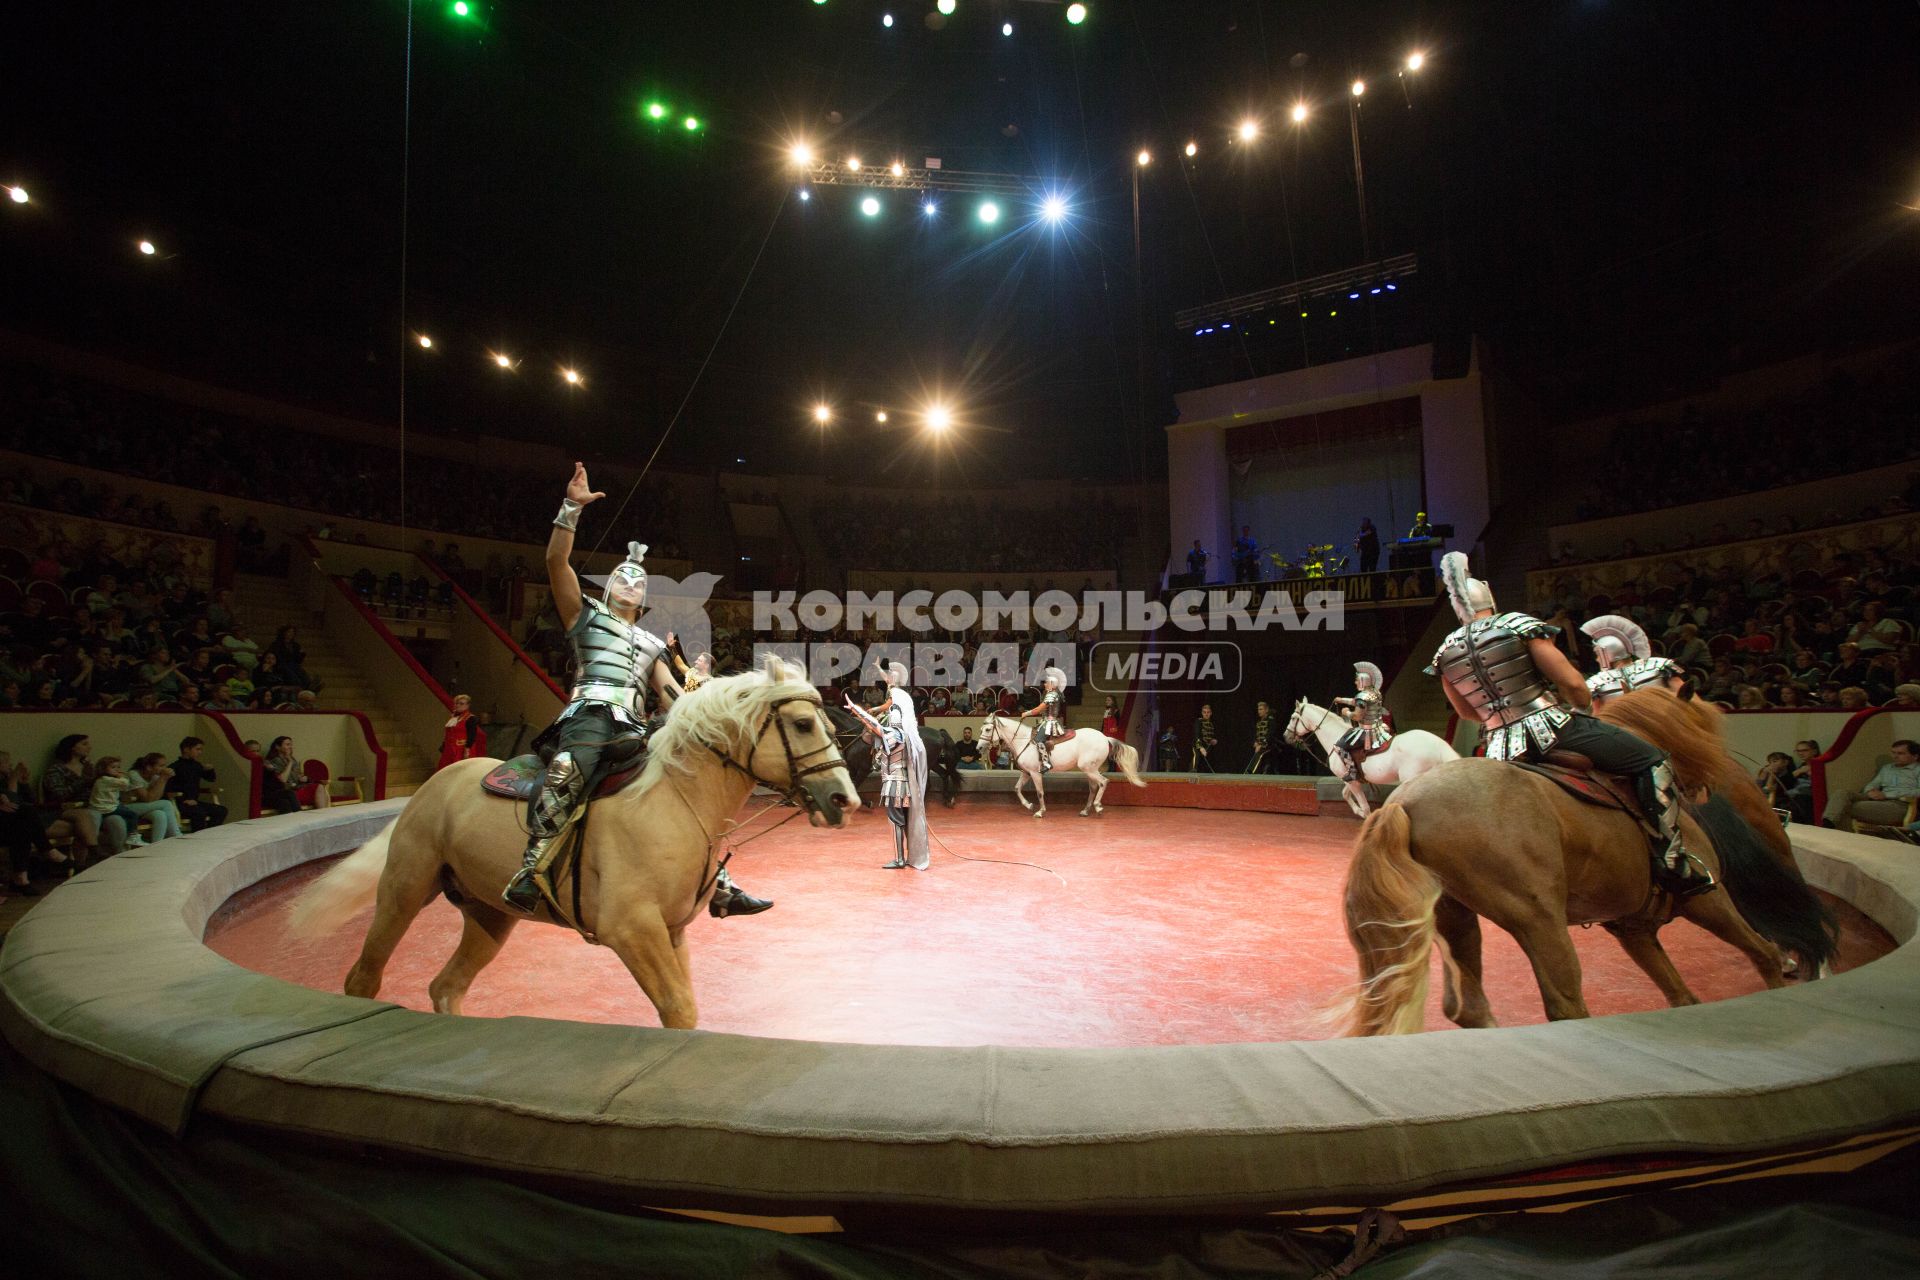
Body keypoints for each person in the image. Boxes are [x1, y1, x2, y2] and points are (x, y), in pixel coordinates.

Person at [504, 463, 768, 918]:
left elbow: (672, 696)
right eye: (623, 577)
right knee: (569, 771)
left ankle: (718, 883)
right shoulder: (584, 616)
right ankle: (532, 869)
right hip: (587, 717)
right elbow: (555, 562)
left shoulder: (650, 641)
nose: (631, 581)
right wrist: (571, 507)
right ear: (607, 588)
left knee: (687, 785)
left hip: (635, 727)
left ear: (645, 598)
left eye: (639, 580)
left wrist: (720, 718)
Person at [1427, 552, 1714, 898]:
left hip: (1498, 748)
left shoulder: (1444, 653)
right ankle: (1672, 861)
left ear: (1459, 608)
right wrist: (1578, 707)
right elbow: (1575, 686)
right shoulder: (1517, 625)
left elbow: (1467, 713)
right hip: (1551, 729)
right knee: (1652, 760)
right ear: (1490, 598)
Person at [841, 661, 930, 868]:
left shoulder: (895, 732)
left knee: (896, 821)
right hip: (904, 783)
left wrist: (856, 710)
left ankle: (899, 858)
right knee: (904, 820)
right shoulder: (903, 732)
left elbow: (874, 726)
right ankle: (907, 856)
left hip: (895, 783)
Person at [40, 734, 126, 866]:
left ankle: (117, 859)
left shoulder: (88, 767)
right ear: (72, 748)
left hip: (96, 806)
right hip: (70, 807)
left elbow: (99, 788)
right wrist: (84, 780)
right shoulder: (56, 770)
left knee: (117, 821)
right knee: (89, 818)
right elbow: (60, 794)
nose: (89, 747)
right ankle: (86, 861)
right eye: (84, 744)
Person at [1581, 615, 1689, 705]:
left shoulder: (1596, 683)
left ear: (1606, 654)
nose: (1596, 659)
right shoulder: (1659, 664)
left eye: (1598, 654)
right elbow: (1685, 697)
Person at [1825, 740, 1920, 834]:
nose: (1895, 756)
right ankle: (1827, 824)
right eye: (1893, 753)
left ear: (1915, 756)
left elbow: (1918, 791)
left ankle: (1841, 836)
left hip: (1899, 805)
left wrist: (1886, 795)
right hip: (1877, 799)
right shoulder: (1887, 768)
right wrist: (1870, 791)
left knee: (1844, 807)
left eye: (1900, 753)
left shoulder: (1917, 770)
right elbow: (1873, 783)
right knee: (1841, 793)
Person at [1329, 661, 1395, 783]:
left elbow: (1357, 717)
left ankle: (1352, 772)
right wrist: (1342, 699)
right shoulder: (1375, 693)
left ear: (1363, 682)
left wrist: (1346, 713)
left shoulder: (1362, 696)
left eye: (1357, 680)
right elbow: (1355, 701)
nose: (1355, 683)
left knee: (1339, 746)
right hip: (1379, 728)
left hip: (1367, 731)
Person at [169, 737, 228, 831]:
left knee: (221, 810)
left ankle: (209, 834)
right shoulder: (175, 767)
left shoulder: (197, 765)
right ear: (186, 749)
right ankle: (197, 839)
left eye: (201, 749)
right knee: (199, 813)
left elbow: (211, 779)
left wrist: (210, 770)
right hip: (180, 803)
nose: (200, 752)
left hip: (194, 802)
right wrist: (183, 799)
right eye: (197, 749)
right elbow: (169, 788)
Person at [1018, 667, 1069, 773]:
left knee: (1038, 740)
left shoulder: (1052, 694)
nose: (1045, 685)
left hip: (1050, 722)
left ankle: (1046, 763)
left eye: (1047, 683)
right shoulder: (1054, 694)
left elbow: (1038, 709)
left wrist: (1026, 713)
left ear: (1052, 684)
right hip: (1046, 720)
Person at [261, 736, 327, 815]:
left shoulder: (292, 759)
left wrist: (304, 778)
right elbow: (282, 779)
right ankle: (306, 816)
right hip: (286, 791)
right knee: (288, 799)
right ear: (277, 747)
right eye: (287, 745)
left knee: (319, 786)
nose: (290, 747)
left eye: (291, 745)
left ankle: (323, 815)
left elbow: (297, 775)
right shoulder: (273, 761)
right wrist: (290, 763)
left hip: (297, 788)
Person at [435, 693, 486, 772]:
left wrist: (467, 751)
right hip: (449, 750)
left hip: (461, 750)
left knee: (460, 771)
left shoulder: (471, 718)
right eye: (457, 703)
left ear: (467, 705)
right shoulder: (454, 718)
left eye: (461, 703)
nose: (458, 705)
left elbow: (472, 735)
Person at [1246, 699, 1278, 773]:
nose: (1259, 711)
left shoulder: (1271, 720)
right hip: (1260, 747)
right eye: (1258, 709)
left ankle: (1251, 771)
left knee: (1262, 760)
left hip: (1269, 748)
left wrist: (1261, 745)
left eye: (1261, 709)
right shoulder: (1258, 722)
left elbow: (1270, 734)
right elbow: (1255, 734)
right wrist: (1255, 742)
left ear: (1266, 710)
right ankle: (1250, 772)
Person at [1190, 702, 1218, 772]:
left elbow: (1209, 736)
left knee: (1205, 765)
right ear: (1202, 713)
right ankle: (1193, 771)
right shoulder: (1198, 721)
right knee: (1197, 757)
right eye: (1204, 712)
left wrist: (1213, 740)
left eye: (1208, 712)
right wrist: (1201, 747)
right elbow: (1197, 735)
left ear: (1211, 713)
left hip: (1207, 747)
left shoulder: (1211, 724)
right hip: (1197, 745)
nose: (1206, 714)